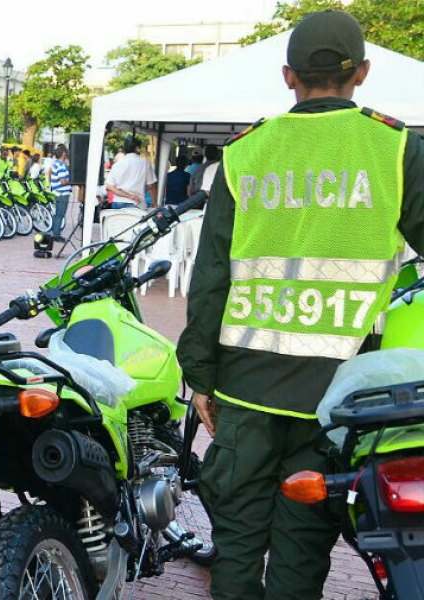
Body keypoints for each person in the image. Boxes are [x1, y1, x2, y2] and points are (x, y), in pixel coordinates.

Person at [178, 11, 424, 600]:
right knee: (301, 554)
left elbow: (210, 277)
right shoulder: (396, 150)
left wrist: (200, 376)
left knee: (234, 549)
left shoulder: (244, 154)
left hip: (244, 389)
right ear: (361, 73)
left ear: (287, 76)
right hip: (337, 400)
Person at [104, 137, 156, 208]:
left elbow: (109, 186)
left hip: (118, 203)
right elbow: (151, 187)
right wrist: (155, 204)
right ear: (137, 148)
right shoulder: (145, 163)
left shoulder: (117, 164)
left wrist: (128, 196)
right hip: (137, 203)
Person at [49, 144, 72, 241]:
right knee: (60, 214)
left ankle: (55, 232)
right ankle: (56, 234)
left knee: (57, 214)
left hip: (56, 192)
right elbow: (63, 181)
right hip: (62, 193)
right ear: (63, 154)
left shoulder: (55, 164)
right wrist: (72, 179)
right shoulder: (61, 166)